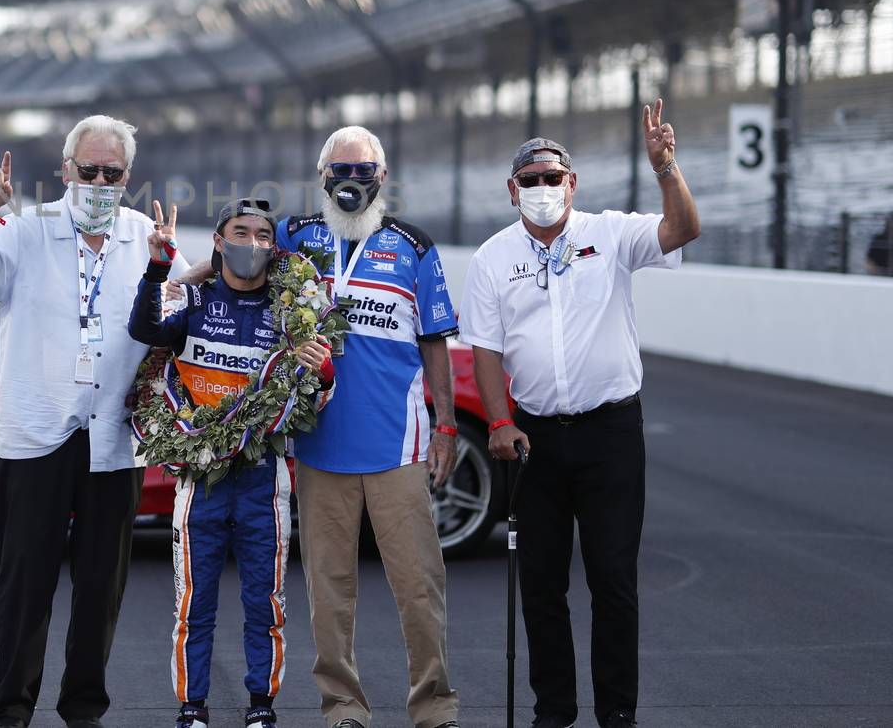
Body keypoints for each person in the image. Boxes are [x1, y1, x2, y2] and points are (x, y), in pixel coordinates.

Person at [459, 103, 700, 728]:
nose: (543, 189)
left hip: (611, 433)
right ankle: (554, 712)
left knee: (614, 580)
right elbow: (484, 348)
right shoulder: (490, 258)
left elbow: (682, 230)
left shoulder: (613, 233)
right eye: (530, 179)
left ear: (573, 183)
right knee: (541, 585)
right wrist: (497, 422)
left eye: (553, 177)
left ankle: (618, 711)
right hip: (535, 438)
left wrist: (667, 168)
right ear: (513, 189)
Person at [0, 115, 189, 728]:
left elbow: (190, 319)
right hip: (36, 433)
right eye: (89, 170)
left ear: (128, 177)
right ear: (66, 170)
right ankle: (11, 710)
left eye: (113, 173)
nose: (100, 182)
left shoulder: (148, 238)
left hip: (115, 435)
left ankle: (84, 707)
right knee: (26, 582)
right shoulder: (22, 230)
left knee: (100, 587)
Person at [272, 125, 463, 728]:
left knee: (418, 590)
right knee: (329, 592)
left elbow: (435, 342)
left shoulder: (414, 246)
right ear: (321, 175)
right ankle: (343, 708)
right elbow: (237, 262)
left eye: (363, 171)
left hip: (397, 449)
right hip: (320, 450)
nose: (350, 181)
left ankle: (433, 707)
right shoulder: (293, 237)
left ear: (382, 178)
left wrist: (447, 426)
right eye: (339, 170)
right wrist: (183, 276)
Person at [127, 197, 331, 728]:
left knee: (266, 603)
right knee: (194, 603)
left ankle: (261, 705)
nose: (253, 245)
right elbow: (145, 333)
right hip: (200, 479)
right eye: (241, 233)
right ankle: (192, 705)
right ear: (219, 242)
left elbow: (315, 393)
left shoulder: (292, 312)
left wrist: (325, 370)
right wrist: (157, 264)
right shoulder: (192, 298)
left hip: (264, 478)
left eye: (264, 236)